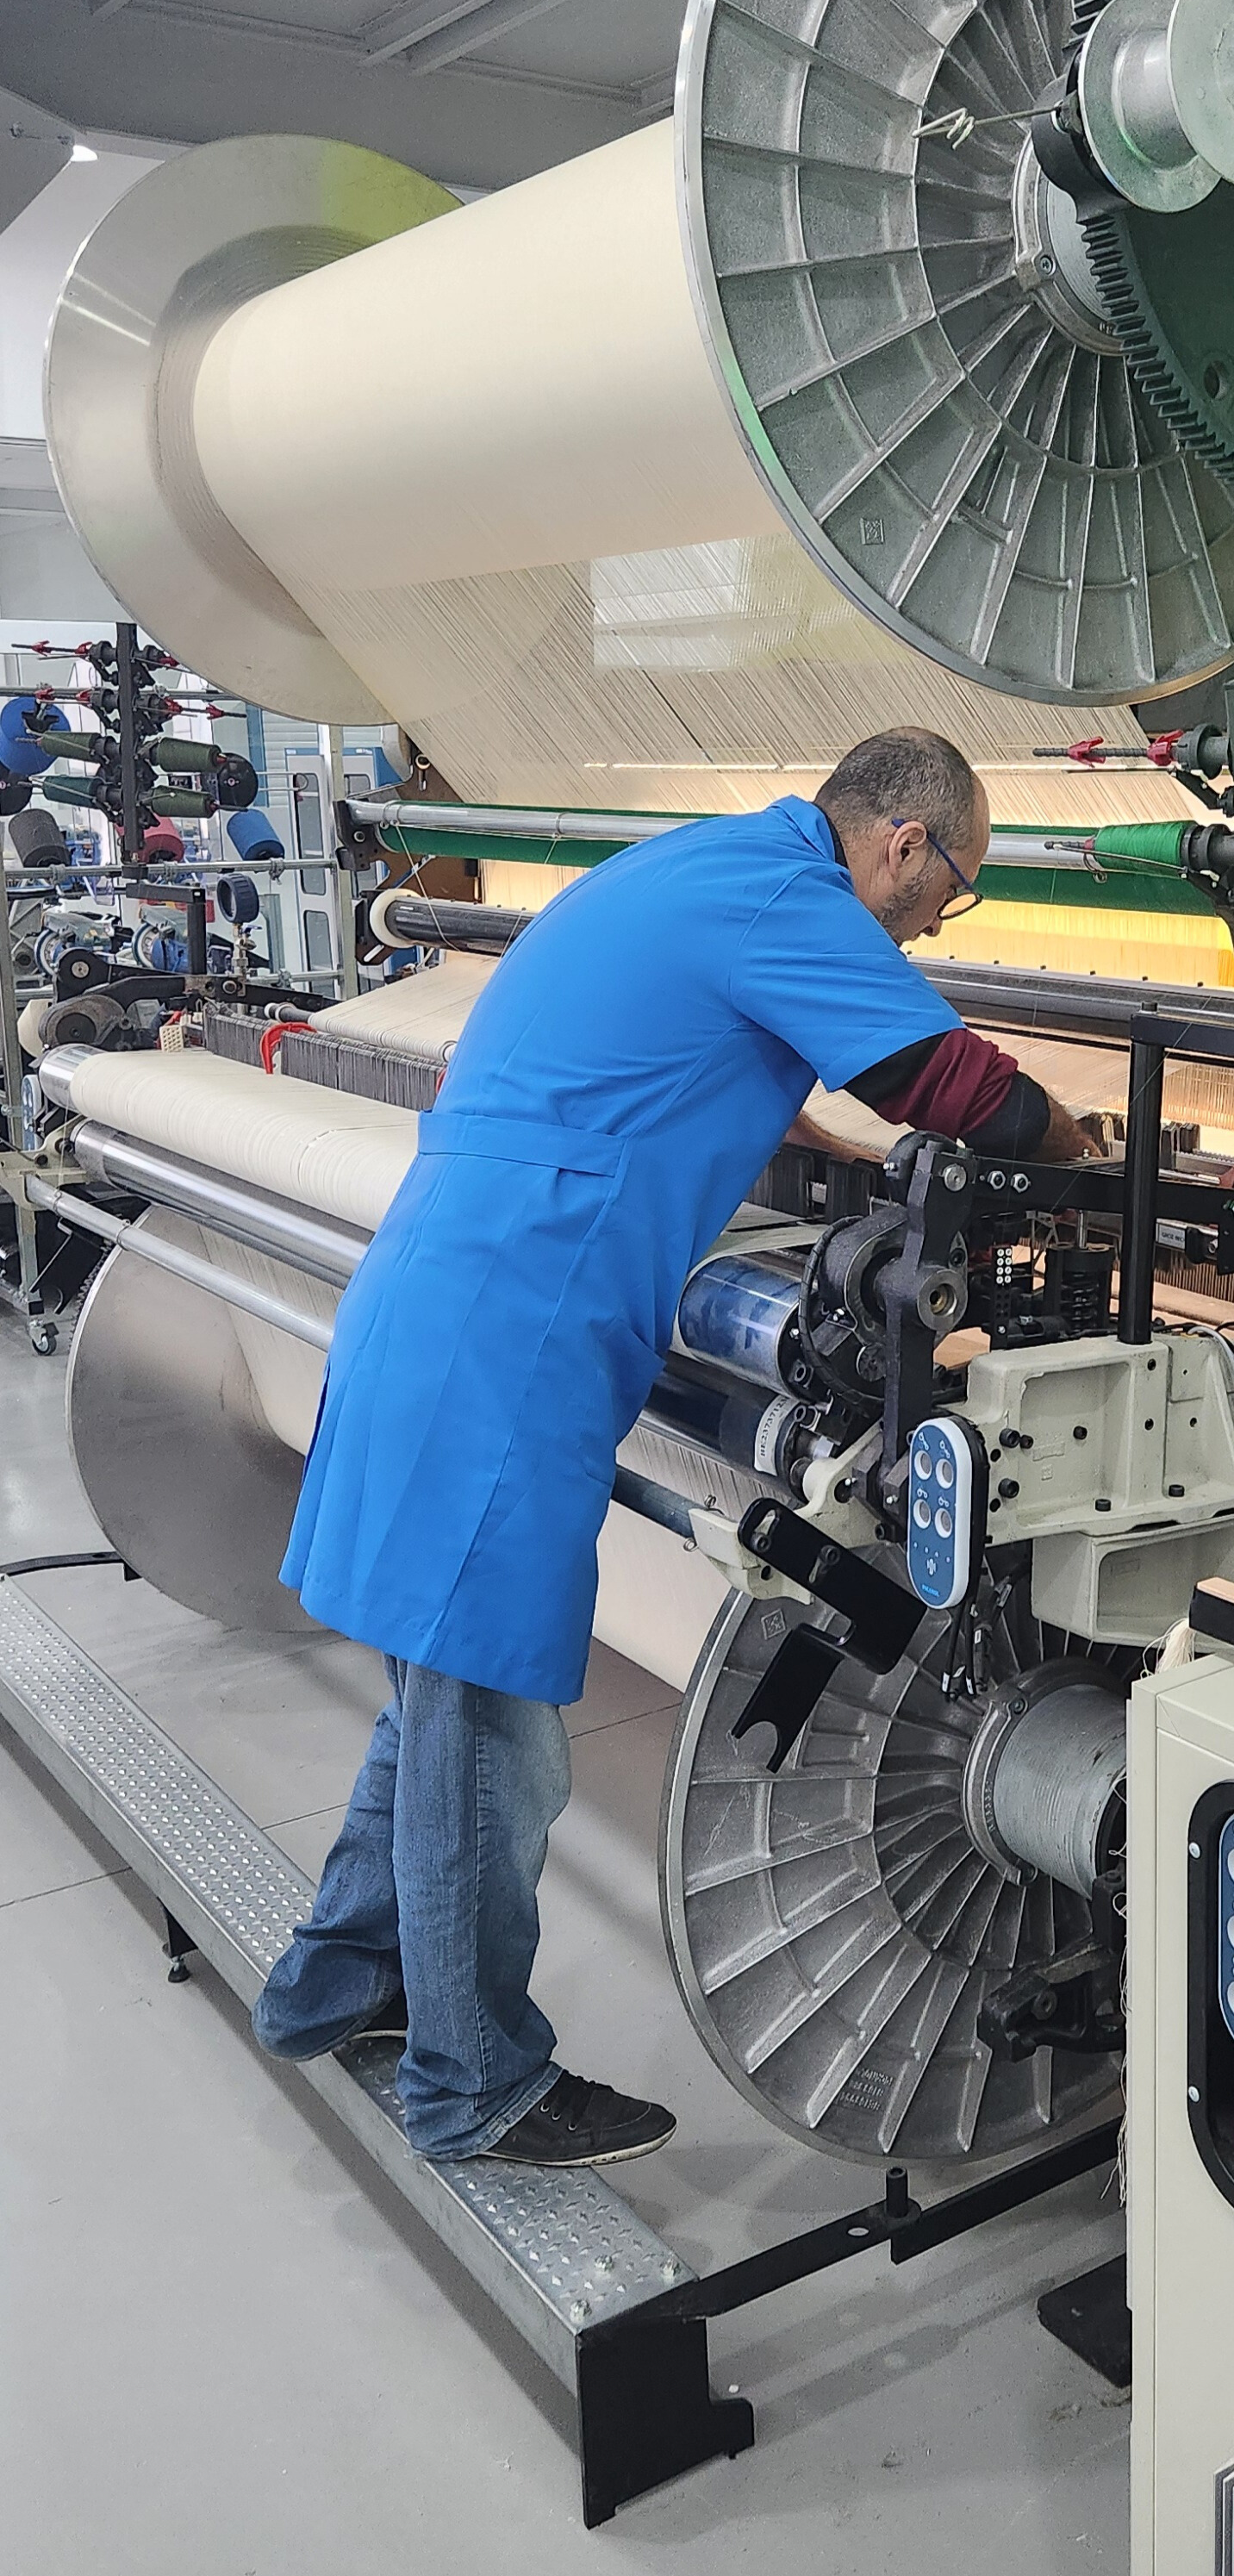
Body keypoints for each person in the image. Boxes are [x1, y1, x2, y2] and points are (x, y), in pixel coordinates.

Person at [252, 731, 1098, 2167]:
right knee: (490, 1736)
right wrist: (1092, 1155)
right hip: (509, 1327)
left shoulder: (706, 868)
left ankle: (332, 1986)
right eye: (951, 890)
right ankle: (473, 2083)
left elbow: (724, 1060)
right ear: (904, 843)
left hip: (456, 1287)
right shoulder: (788, 900)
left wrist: (841, 1146)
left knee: (437, 1699)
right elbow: (959, 1088)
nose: (934, 925)